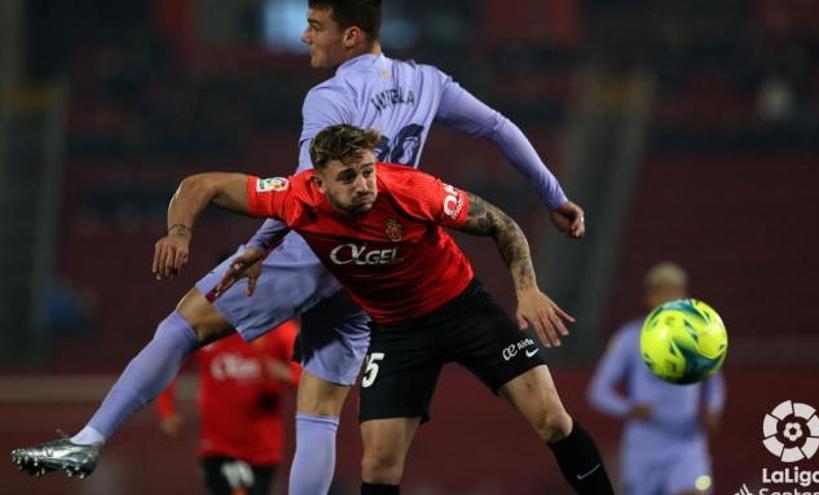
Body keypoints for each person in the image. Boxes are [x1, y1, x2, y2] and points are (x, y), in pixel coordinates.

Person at [12, 1, 585, 492]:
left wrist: (256, 248)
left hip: (317, 247)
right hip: (375, 271)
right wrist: (553, 194)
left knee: (183, 327)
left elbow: (307, 191)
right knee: (320, 414)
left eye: (316, 24)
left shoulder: (329, 98)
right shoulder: (426, 81)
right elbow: (498, 127)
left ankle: (89, 440)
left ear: (351, 35)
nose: (306, 35)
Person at [155, 123, 614, 495]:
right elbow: (201, 184)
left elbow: (501, 223)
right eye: (348, 176)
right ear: (319, 181)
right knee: (377, 465)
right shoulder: (295, 197)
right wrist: (178, 231)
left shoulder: (414, 191)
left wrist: (527, 290)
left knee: (553, 421)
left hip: (464, 310)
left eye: (368, 171)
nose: (363, 185)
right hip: (397, 333)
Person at [588, 262, 725, 495]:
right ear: (650, 298)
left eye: (677, 291)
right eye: (664, 291)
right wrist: (629, 408)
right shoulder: (629, 338)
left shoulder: (700, 336)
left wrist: (713, 409)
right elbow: (599, 392)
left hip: (687, 441)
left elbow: (714, 380)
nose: (671, 297)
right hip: (644, 444)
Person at [156, 320, 302, 495]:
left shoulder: (280, 330)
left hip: (264, 449)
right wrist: (167, 412)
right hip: (218, 447)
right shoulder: (208, 328)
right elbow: (167, 365)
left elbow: (311, 378)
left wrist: (288, 375)